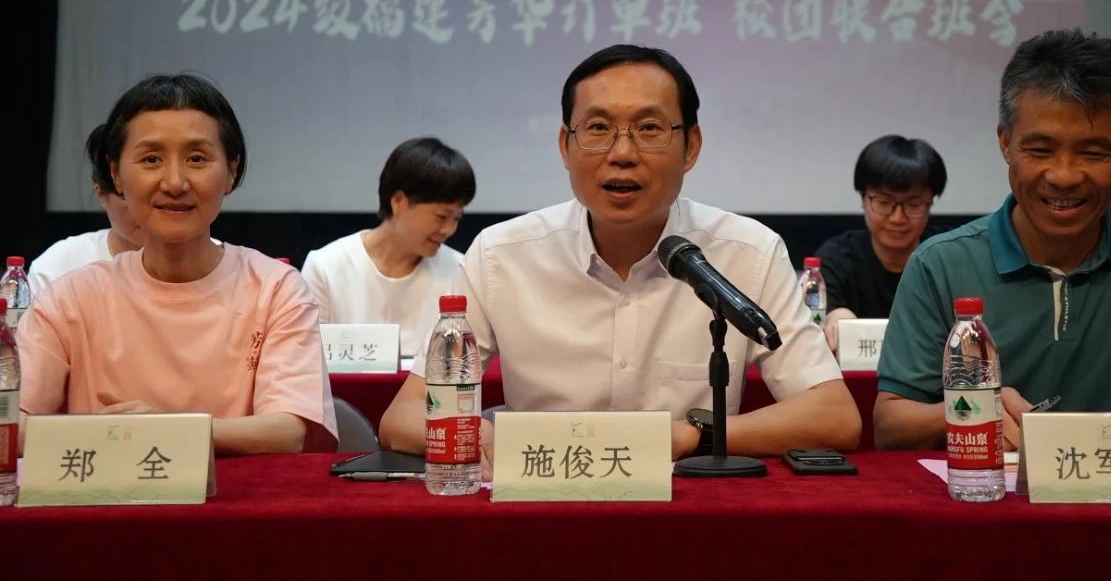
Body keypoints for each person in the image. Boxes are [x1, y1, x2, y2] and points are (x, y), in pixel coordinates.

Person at [380, 44, 861, 462]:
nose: (623, 153)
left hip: (686, 512)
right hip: (542, 504)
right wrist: (477, 434)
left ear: (690, 147)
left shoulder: (748, 253)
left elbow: (833, 416)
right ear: (565, 146)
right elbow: (404, 416)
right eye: (598, 128)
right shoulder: (500, 256)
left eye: (649, 128)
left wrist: (691, 437)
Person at [875, 29, 1111, 470]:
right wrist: (977, 411)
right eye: (1040, 150)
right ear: (1005, 142)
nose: (1064, 176)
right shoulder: (940, 264)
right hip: (986, 497)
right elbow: (890, 425)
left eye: (1093, 153)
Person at [19, 73, 336, 454]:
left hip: (234, 493)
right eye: (151, 159)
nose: (174, 182)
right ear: (116, 174)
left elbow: (289, 430)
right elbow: (12, 423)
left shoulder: (276, 289)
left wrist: (166, 430)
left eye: (197, 159)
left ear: (232, 171)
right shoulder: (69, 299)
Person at [302, 137, 473, 358]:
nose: (448, 229)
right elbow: (305, 358)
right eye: (441, 216)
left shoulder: (460, 271)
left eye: (456, 218)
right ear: (398, 201)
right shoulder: (325, 267)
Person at [815, 135, 947, 347]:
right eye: (884, 202)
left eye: (913, 205)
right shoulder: (836, 258)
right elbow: (822, 315)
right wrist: (836, 316)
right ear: (863, 199)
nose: (897, 218)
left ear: (931, 202)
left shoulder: (947, 256)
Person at [29, 124, 145, 294]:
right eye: (127, 196)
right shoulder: (58, 265)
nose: (143, 208)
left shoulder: (188, 263)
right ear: (101, 194)